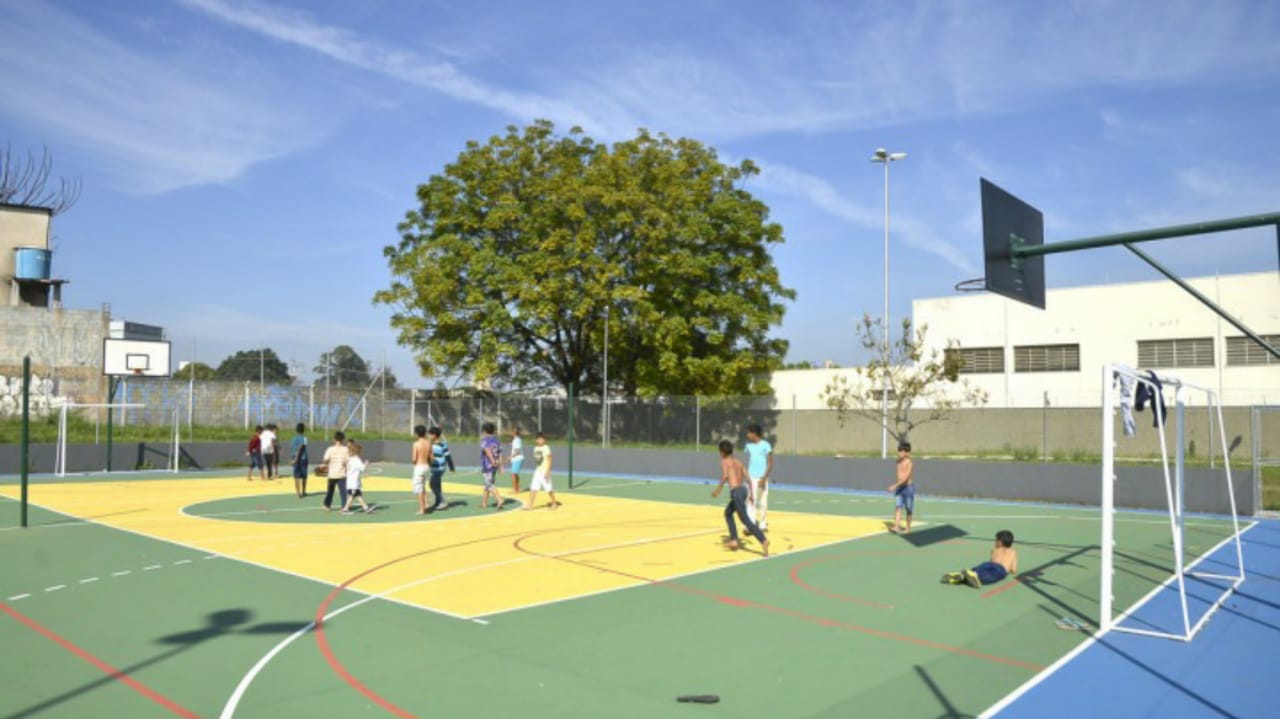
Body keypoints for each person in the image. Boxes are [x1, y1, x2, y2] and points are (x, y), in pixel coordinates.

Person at [711, 440, 769, 556]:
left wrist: (718, 489)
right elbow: (748, 479)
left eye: (720, 451)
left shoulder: (724, 461)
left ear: (722, 452)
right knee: (728, 513)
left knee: (745, 520)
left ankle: (763, 540)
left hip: (736, 492)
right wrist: (751, 495)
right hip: (743, 490)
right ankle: (734, 540)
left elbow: (725, 476)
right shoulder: (739, 462)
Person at [943, 530, 1018, 588]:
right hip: (1001, 570)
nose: (995, 542)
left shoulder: (994, 550)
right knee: (989, 576)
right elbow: (1014, 570)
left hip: (989, 564)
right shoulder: (1013, 552)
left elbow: (992, 561)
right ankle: (974, 578)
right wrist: (1010, 569)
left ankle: (964, 575)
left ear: (1000, 543)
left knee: (978, 569)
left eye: (996, 540)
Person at [744, 424, 774, 532]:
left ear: (754, 433)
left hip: (762, 478)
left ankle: (762, 524)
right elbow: (747, 461)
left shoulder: (766, 445)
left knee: (763, 501)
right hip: (751, 478)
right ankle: (750, 525)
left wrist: (764, 478)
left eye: (749, 433)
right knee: (751, 500)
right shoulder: (748, 446)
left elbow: (770, 463)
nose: (747, 435)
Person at [525, 432, 560, 510]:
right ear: (536, 440)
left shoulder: (546, 447)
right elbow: (538, 460)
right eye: (540, 439)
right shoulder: (535, 448)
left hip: (545, 471)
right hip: (538, 471)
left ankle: (554, 503)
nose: (541, 440)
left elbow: (550, 459)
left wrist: (548, 471)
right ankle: (530, 505)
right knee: (533, 487)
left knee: (549, 488)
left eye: (543, 439)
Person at [340, 441, 376, 515]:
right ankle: (345, 509)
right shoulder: (356, 460)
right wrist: (366, 464)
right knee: (352, 496)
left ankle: (366, 508)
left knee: (358, 496)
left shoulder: (350, 460)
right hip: (354, 483)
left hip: (351, 482)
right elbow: (362, 468)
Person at [888, 441, 915, 534]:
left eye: (901, 451)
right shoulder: (897, 462)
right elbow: (898, 475)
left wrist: (894, 486)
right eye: (898, 450)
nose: (898, 452)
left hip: (908, 489)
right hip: (899, 489)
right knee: (898, 507)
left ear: (906, 452)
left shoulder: (909, 463)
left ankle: (908, 528)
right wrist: (897, 486)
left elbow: (906, 477)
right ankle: (896, 526)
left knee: (909, 509)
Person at [321, 431, 349, 512]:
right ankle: (344, 507)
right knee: (343, 492)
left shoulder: (330, 449)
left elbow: (325, 459)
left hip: (332, 474)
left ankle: (327, 506)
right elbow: (347, 461)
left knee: (330, 491)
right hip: (341, 474)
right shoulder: (345, 449)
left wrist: (325, 465)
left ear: (334, 439)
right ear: (343, 439)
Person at [479, 422, 505, 510]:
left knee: (489, 484)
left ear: (484, 431)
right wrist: (501, 466)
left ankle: (499, 499)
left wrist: (492, 460)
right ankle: (484, 503)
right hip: (495, 466)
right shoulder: (497, 441)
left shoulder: (484, 440)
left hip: (487, 465)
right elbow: (500, 453)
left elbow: (487, 451)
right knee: (487, 484)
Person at [411, 425, 432, 515]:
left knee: (418, 488)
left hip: (419, 466)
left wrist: (415, 463)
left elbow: (414, 459)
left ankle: (422, 509)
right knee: (423, 486)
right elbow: (432, 458)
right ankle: (426, 504)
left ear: (417, 433)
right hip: (427, 466)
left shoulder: (416, 444)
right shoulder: (429, 443)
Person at [427, 426, 449, 512]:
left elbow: (447, 455)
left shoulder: (442, 444)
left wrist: (451, 467)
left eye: (430, 434)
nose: (428, 436)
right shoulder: (430, 444)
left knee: (432, 485)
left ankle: (443, 501)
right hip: (433, 468)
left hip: (440, 468)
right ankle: (438, 502)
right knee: (437, 486)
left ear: (435, 435)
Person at [290, 422, 309, 498]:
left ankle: (298, 493)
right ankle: (303, 491)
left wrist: (294, 459)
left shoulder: (293, 439)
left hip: (296, 458)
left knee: (296, 476)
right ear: (303, 430)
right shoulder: (305, 438)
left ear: (296, 430)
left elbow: (294, 449)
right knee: (304, 476)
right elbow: (301, 448)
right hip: (303, 458)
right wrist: (297, 458)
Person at [509, 427, 525, 493]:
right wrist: (511, 444)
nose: (511, 433)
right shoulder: (516, 440)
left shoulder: (516, 440)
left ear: (514, 433)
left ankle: (515, 490)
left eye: (512, 432)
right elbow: (517, 447)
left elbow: (518, 451)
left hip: (517, 459)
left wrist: (510, 456)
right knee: (515, 474)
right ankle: (517, 488)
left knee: (513, 474)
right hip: (517, 459)